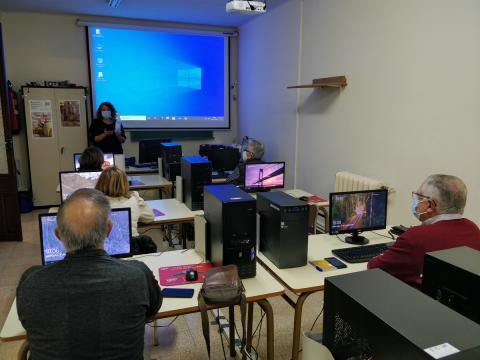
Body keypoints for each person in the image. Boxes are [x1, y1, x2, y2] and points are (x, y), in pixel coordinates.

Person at [17, 188, 162, 360]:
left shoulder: (31, 282)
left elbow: (28, 323)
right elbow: (153, 309)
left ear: (57, 235)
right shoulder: (138, 274)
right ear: (109, 229)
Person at [368, 174, 480, 289]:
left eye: (418, 197)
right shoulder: (473, 229)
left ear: (430, 205)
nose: (415, 201)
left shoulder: (417, 237)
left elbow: (374, 266)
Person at [95, 166, 157, 254]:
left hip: (104, 250)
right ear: (125, 183)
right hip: (132, 248)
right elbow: (150, 217)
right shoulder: (134, 199)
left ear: (100, 182)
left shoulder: (94, 204)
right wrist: (137, 197)